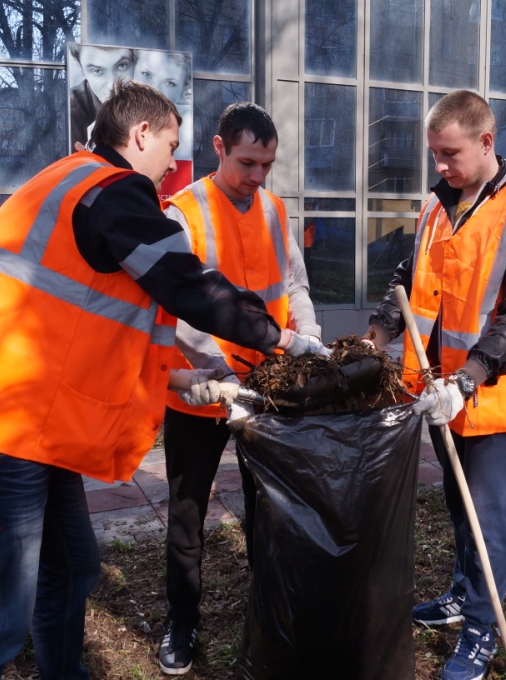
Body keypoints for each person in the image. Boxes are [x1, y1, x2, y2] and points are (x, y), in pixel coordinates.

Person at [0, 81, 326, 680]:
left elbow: (104, 314)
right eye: (169, 146)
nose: (170, 165)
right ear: (141, 135)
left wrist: (186, 375)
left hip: (28, 425)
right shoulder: (114, 192)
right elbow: (188, 286)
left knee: (73, 568)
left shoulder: (68, 180)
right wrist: (285, 340)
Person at [364, 90, 506, 680]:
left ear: (486, 142)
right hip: (437, 390)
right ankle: (462, 594)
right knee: (459, 504)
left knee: (488, 518)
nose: (440, 166)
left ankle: (482, 629)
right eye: (434, 154)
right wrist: (378, 334)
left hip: (488, 393)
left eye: (449, 154)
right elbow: (410, 275)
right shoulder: (439, 204)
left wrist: (469, 378)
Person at [156, 101, 327, 676]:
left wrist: (309, 337)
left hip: (271, 387)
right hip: (203, 388)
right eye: (248, 162)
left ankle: (269, 606)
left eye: (267, 165)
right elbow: (180, 314)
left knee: (271, 507)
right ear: (219, 147)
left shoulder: (276, 211)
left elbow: (295, 285)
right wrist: (223, 379)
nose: (257, 177)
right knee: (187, 509)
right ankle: (182, 620)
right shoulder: (185, 214)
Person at [68, 43, 135, 147]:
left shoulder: (153, 103)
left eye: (122, 66)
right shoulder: (69, 112)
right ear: (80, 67)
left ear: (134, 61)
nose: (112, 84)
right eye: (97, 71)